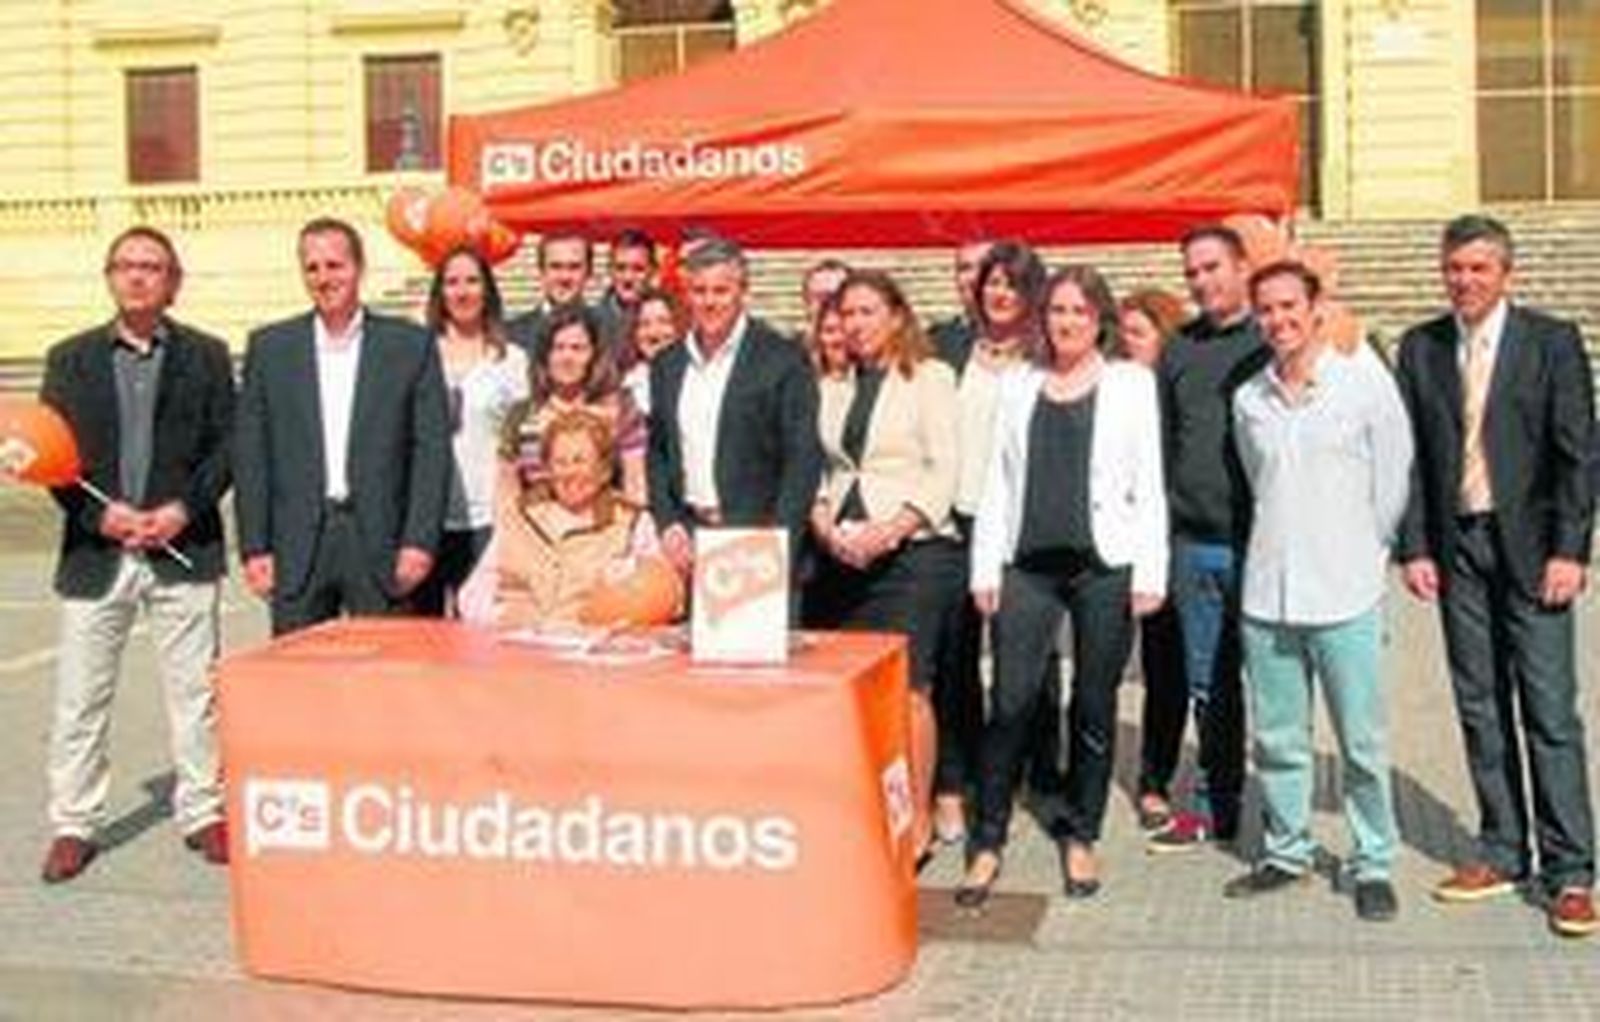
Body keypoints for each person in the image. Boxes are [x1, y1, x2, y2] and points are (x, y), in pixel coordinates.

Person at [1394, 214, 1598, 937]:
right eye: (1454, 267)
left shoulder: (1551, 342)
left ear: (1506, 273)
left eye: (1479, 268)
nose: (1465, 280)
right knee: (1480, 706)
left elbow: (1579, 453)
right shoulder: (1420, 347)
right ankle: (1504, 849)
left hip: (1535, 553)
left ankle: (1572, 873)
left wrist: (1571, 549)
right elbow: (1411, 457)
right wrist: (1414, 546)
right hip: (1458, 552)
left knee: (1549, 712)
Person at [34, 226, 236, 882]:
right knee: (81, 697)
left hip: (183, 548)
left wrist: (183, 510)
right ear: (110, 277)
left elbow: (226, 449)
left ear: (173, 281)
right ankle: (74, 823)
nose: (139, 277)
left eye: (152, 267)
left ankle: (202, 810)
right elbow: (52, 461)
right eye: (127, 266)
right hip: (100, 553)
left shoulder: (207, 356)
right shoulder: (69, 360)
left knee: (196, 693)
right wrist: (102, 514)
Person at [961, 265, 1167, 906]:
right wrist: (984, 567)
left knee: (1094, 706)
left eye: (1079, 310)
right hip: (1027, 567)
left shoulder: (1131, 383)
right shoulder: (1020, 383)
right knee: (1012, 703)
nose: (1068, 321)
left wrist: (1151, 572)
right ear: (1042, 319)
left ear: (1099, 317)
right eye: (1056, 310)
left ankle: (1081, 832)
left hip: (1105, 567)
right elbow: (998, 480)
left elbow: (1149, 483)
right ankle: (987, 840)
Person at [1225, 261, 1412, 922]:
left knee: (1361, 741)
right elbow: (1258, 484)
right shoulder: (1249, 399)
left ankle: (1372, 860)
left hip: (1347, 592)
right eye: (1266, 310)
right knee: (1278, 737)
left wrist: (1368, 547)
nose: (1278, 320)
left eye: (1288, 307)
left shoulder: (1364, 384)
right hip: (1268, 593)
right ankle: (1287, 850)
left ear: (1315, 307)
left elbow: (1393, 477)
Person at [805, 270, 963, 858]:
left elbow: (943, 468)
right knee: (849, 691)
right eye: (846, 313)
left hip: (913, 554)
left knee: (908, 689)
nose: (854, 323)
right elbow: (821, 469)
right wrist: (822, 522)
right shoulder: (832, 384)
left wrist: (892, 530)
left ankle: (917, 820)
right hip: (841, 555)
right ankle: (860, 810)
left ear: (897, 316)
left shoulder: (931, 377)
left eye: (867, 311)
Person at [234, 217, 451, 636]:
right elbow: (251, 455)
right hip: (299, 544)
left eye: (335, 265)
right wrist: (255, 546)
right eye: (312, 268)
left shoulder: (408, 346)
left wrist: (419, 542)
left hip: (380, 540)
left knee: (387, 681)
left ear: (359, 268)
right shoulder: (271, 349)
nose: (324, 278)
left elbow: (431, 451)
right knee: (300, 684)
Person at [1148, 224, 1270, 852]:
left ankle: (1283, 815)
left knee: (1275, 687)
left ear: (1244, 266)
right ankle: (1211, 807)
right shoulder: (1178, 350)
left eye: (1212, 267)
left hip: (1266, 545)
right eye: (1191, 271)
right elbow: (1162, 447)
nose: (1201, 280)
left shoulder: (1271, 336)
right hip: (1195, 544)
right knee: (1207, 683)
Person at [938, 241, 1056, 844]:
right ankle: (960, 780)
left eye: (1013, 283)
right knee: (957, 663)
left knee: (1026, 664)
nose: (1000, 293)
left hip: (1024, 530)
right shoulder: (949, 348)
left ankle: (1037, 773)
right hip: (958, 524)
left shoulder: (1047, 351)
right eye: (991, 282)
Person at [646, 237, 822, 582]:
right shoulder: (667, 364)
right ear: (686, 294)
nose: (710, 302)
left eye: (721, 291)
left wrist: (776, 538)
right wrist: (668, 523)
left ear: (743, 292)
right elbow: (659, 452)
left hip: (759, 543)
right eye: (699, 291)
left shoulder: (782, 358)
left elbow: (802, 458)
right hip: (692, 542)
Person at [460, 409, 679, 626]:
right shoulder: (519, 517)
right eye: (560, 462)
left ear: (604, 470)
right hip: (516, 646)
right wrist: (503, 615)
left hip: (592, 649)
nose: (569, 473)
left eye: (579, 461)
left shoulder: (633, 523)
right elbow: (471, 595)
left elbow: (663, 593)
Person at [411, 246, 530, 618]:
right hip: (427, 516)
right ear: (439, 293)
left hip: (488, 515)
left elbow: (520, 442)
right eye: (452, 282)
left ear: (488, 290)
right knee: (423, 636)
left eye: (472, 281)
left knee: (479, 630)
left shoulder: (511, 359)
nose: (462, 292)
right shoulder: (416, 353)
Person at [1117, 288, 1190, 834]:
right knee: (1156, 665)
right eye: (1122, 334)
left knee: (1184, 669)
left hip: (1185, 542)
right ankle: (1151, 779)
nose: (1127, 344)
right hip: (1128, 542)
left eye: (1138, 334)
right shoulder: (1118, 388)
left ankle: (1185, 779)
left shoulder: (1180, 387)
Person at [508, 303, 646, 505]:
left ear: (594, 355)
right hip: (539, 528)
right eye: (558, 348)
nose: (567, 357)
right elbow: (506, 491)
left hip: (605, 527)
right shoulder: (521, 415)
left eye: (578, 348)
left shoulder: (622, 409)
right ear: (545, 355)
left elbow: (635, 482)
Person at [507, 229, 592, 359]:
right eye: (556, 267)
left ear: (589, 273)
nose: (565, 277)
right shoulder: (511, 336)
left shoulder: (609, 333)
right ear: (541, 272)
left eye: (574, 267)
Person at [619, 286, 685, 418]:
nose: (654, 332)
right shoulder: (623, 385)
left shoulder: (695, 378)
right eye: (645, 324)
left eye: (664, 322)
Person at [595, 227, 657, 354]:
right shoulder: (592, 322)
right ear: (610, 270)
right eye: (620, 268)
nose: (628, 278)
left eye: (638, 269)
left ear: (652, 271)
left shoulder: (671, 321)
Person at [796, 257, 851, 343]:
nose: (828, 306)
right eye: (821, 297)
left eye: (836, 297)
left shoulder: (870, 352)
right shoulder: (786, 351)